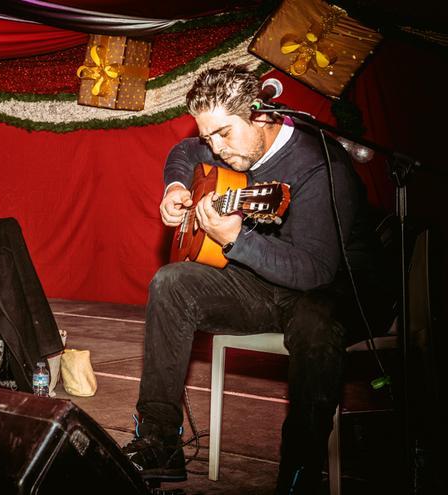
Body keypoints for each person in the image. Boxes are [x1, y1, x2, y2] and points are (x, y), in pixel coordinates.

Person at [122, 64, 390, 493]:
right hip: (265, 282)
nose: (216, 148)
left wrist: (235, 239)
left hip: (336, 289)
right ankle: (159, 442)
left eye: (224, 134)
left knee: (315, 320)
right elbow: (185, 152)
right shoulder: (224, 146)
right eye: (209, 137)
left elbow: (315, 271)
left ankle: (300, 470)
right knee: (170, 284)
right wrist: (175, 187)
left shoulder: (319, 167)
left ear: (261, 115)